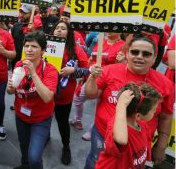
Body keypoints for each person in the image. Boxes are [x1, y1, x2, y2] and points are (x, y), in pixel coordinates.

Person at [84, 36, 174, 169]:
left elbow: (166, 116)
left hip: (139, 143)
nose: (139, 56)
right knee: (94, 162)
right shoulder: (109, 70)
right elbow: (90, 94)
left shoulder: (166, 84)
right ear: (127, 53)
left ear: (155, 58)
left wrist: (161, 145)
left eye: (146, 54)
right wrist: (91, 78)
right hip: (103, 135)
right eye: (135, 52)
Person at [7, 30, 58, 169]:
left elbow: (48, 97)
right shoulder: (18, 65)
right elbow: (10, 91)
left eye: (34, 46)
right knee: (24, 146)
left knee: (35, 157)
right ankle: (24, 165)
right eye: (27, 45)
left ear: (43, 50)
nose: (29, 49)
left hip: (41, 119)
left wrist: (34, 73)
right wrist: (10, 87)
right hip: (21, 115)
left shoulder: (50, 70)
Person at [95, 83, 161, 168]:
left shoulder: (142, 124)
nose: (155, 112)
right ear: (138, 116)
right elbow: (121, 140)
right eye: (153, 110)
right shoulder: (116, 127)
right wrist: (120, 105)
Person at [51, 20, 89, 165]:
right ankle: (45, 137)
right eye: (57, 27)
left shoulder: (76, 49)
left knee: (62, 122)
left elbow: (87, 70)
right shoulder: (46, 44)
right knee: (44, 119)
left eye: (63, 28)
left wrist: (72, 71)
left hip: (64, 94)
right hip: (44, 91)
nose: (59, 30)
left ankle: (66, 146)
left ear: (69, 32)